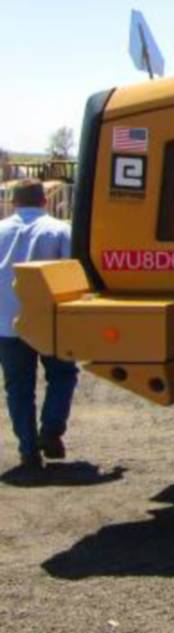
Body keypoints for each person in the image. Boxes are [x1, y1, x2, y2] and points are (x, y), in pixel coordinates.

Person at [0, 180, 78, 474]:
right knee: (63, 374)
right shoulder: (60, 230)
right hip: (51, 320)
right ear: (45, 200)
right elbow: (73, 270)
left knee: (18, 388)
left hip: (6, 321)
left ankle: (28, 449)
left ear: (13, 202)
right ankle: (52, 427)